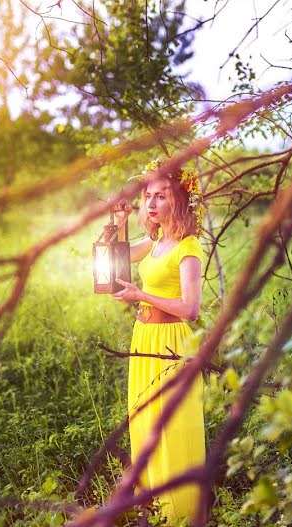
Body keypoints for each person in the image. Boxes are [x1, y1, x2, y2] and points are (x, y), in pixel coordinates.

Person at [110, 159, 207, 523]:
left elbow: (190, 308)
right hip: (145, 338)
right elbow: (116, 259)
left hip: (171, 342)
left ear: (178, 201)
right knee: (146, 418)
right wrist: (118, 223)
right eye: (148, 196)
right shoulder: (156, 242)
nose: (151, 203)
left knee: (172, 422)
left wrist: (142, 296)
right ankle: (150, 503)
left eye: (161, 196)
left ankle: (179, 510)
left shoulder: (188, 246)